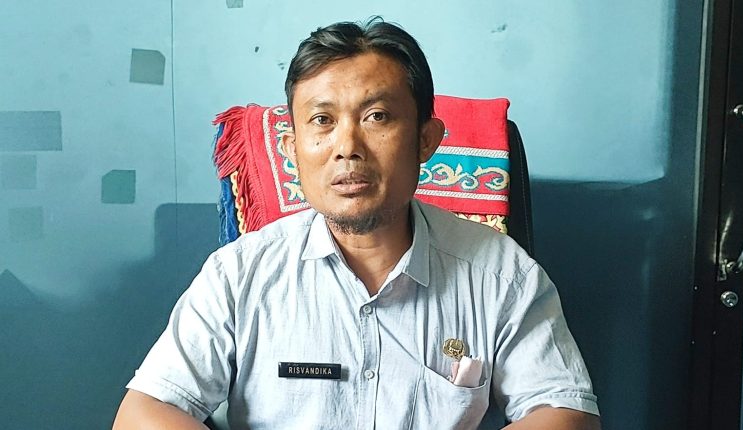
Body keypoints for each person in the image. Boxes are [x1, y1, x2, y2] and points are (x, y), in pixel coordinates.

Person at [113, 18, 601, 430]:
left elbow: (564, 411)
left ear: (426, 139)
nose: (347, 147)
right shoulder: (239, 274)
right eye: (322, 121)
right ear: (292, 150)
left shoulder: (501, 274)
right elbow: (144, 412)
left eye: (377, 116)